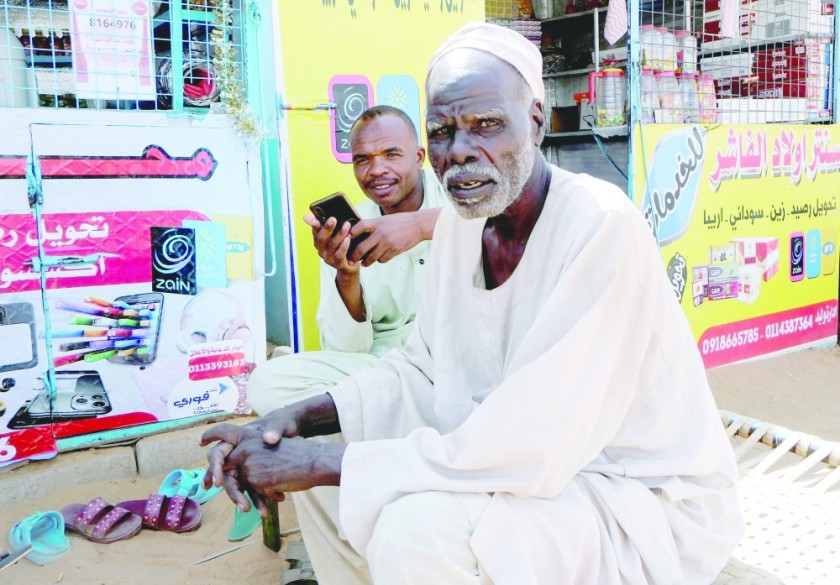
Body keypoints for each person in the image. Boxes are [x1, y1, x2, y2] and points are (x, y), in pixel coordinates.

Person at [202, 22, 743, 585]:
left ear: (535, 120)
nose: (459, 152)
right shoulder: (465, 227)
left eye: (486, 125)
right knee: (323, 458)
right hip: (521, 461)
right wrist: (294, 421)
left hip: (626, 494)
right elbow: (419, 369)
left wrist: (321, 463)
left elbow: (535, 442)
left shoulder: (600, 226)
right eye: (442, 131)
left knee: (415, 529)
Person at [246, 104, 447, 417]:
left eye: (391, 154)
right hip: (388, 366)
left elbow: (506, 219)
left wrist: (421, 225)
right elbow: (345, 351)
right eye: (362, 160)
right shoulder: (348, 231)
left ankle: (391, 428)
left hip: (460, 353)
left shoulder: (458, 198)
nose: (376, 169)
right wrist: (346, 276)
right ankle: (407, 424)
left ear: (419, 157)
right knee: (266, 384)